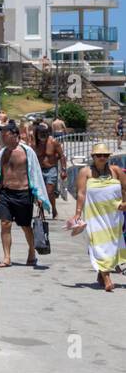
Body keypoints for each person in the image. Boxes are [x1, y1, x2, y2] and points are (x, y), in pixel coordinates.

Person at [0, 122, 51, 268]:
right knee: (5, 224)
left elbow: (35, 173)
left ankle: (32, 252)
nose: (2, 137)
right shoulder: (3, 152)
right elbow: (0, 173)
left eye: (5, 135)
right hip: (5, 193)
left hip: (23, 193)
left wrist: (38, 195)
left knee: (25, 226)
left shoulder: (27, 151)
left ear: (15, 135)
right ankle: (6, 257)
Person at [72, 144, 126, 291]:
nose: (102, 158)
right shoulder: (85, 172)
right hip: (94, 215)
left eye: (105, 155)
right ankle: (107, 278)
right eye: (99, 155)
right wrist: (77, 213)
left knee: (111, 246)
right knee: (99, 244)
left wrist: (125, 203)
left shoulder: (116, 171)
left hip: (114, 216)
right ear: (93, 157)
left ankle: (101, 274)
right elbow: (81, 193)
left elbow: (125, 187)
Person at [34, 123, 66, 218]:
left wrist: (63, 170)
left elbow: (62, 156)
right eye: (41, 133)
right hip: (39, 170)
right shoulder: (35, 143)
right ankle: (41, 211)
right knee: (39, 192)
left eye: (45, 132)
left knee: (50, 191)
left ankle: (54, 208)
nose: (43, 135)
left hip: (51, 169)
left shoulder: (53, 142)